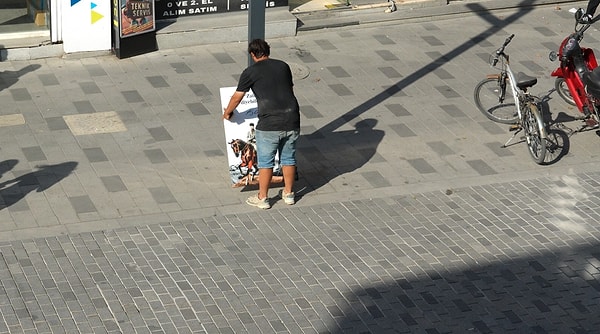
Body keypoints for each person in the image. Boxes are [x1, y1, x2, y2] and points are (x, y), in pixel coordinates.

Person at [223, 39, 300, 210]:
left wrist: (227, 112)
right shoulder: (283, 66)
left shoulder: (250, 72)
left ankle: (263, 198)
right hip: (292, 118)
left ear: (252, 54)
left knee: (265, 162)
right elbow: (290, 89)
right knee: (288, 158)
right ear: (268, 51)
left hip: (269, 123)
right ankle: (288, 194)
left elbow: (237, 96)